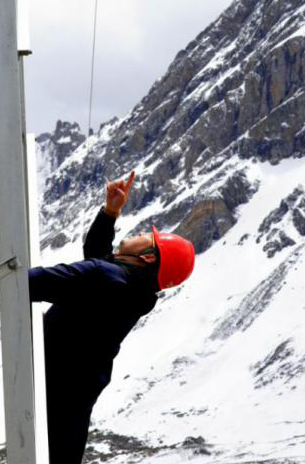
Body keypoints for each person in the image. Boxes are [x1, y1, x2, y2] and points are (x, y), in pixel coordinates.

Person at [29, 170, 196, 464]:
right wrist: (109, 213)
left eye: (146, 236)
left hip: (52, 390)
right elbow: (99, 261)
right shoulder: (134, 289)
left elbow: (29, 282)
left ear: (148, 257)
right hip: (72, 394)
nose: (138, 232)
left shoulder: (108, 278)